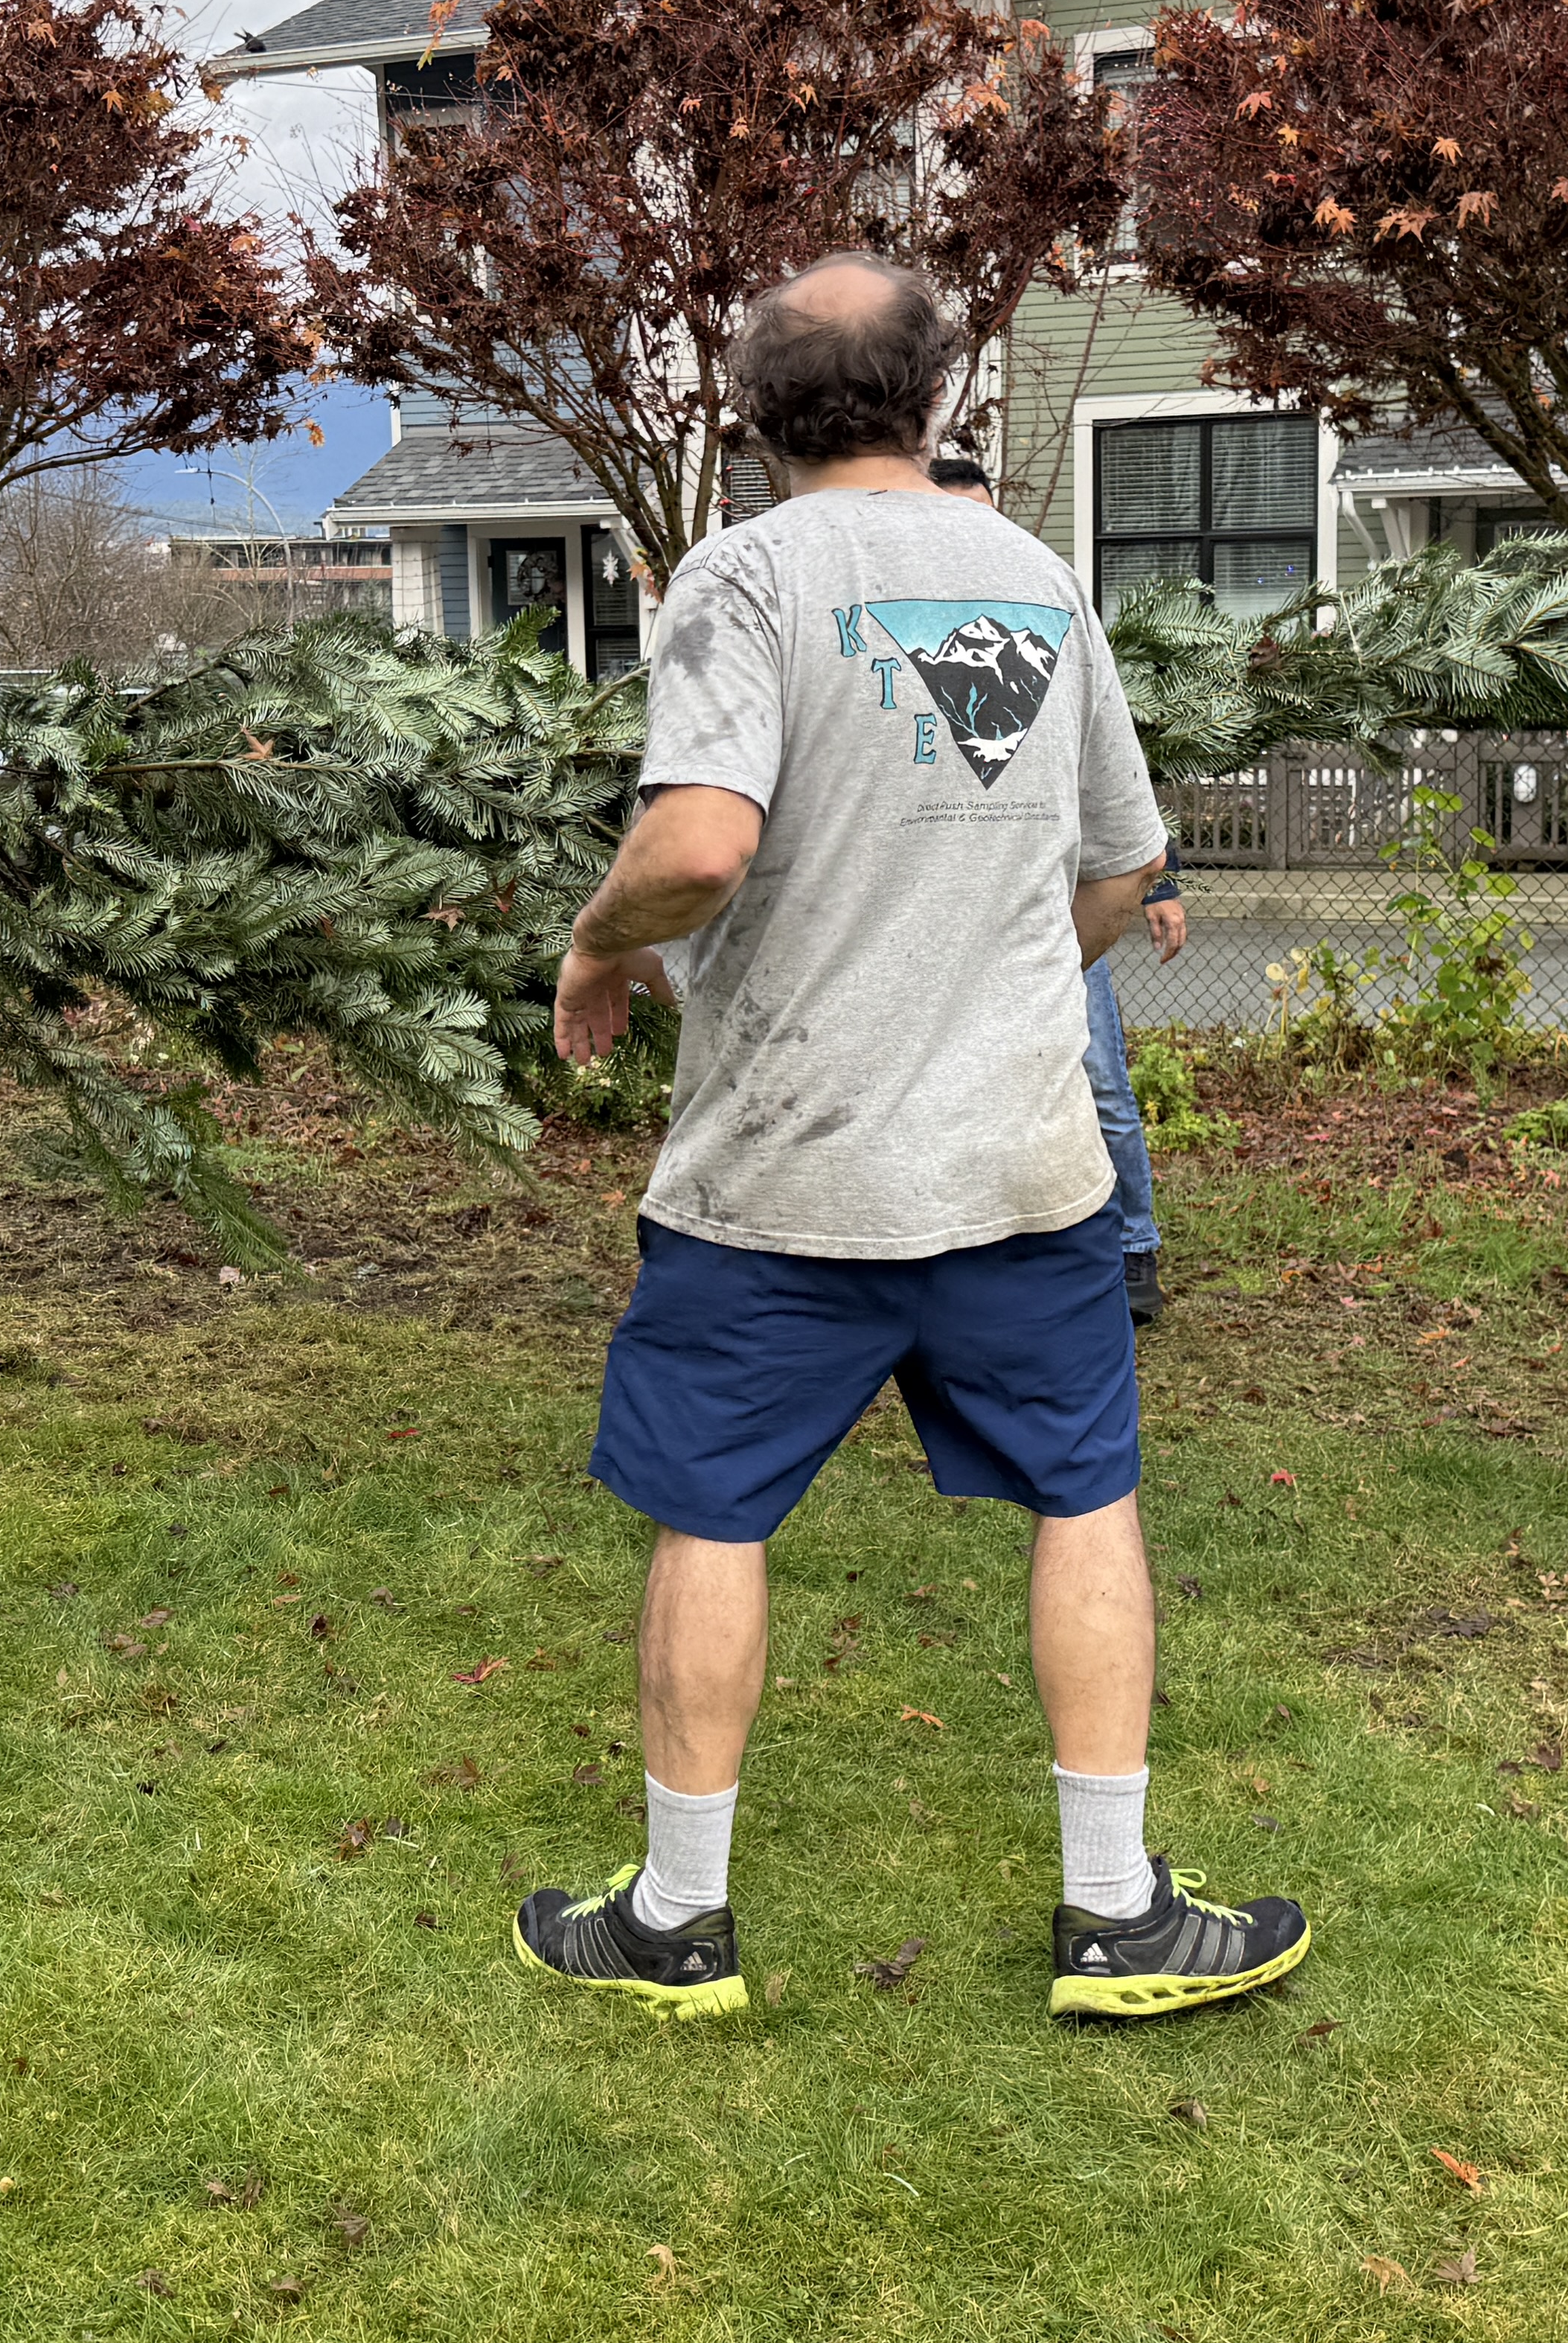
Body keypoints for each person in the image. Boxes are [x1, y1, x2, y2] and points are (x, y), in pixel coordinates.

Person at [515, 257, 1308, 2023]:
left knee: (712, 1516)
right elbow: (1122, 867)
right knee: (1085, 1501)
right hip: (1021, 1167)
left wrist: (593, 943)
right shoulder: (1038, 582)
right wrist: (1003, 987)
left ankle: (676, 1922)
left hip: (781, 1169)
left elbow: (702, 846)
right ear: (933, 399)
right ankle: (1114, 1918)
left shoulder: (741, 580)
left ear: (752, 410)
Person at [935, 453, 1182, 1323]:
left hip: (1059, 912)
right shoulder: (926, 647)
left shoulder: (1045, 624)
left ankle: (1134, 1250)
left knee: (1101, 1082)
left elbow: (1115, 779)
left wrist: (1160, 883)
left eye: (990, 518)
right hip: (956, 921)